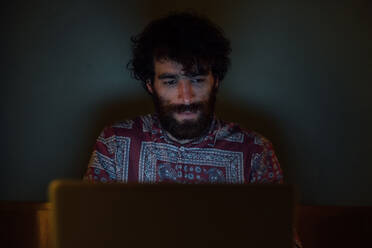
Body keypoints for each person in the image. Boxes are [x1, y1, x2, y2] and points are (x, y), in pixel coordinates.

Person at [84, 11, 301, 247]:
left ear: (215, 80)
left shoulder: (256, 152)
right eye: (170, 82)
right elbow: (86, 235)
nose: (186, 97)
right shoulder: (115, 143)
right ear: (150, 84)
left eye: (197, 80)